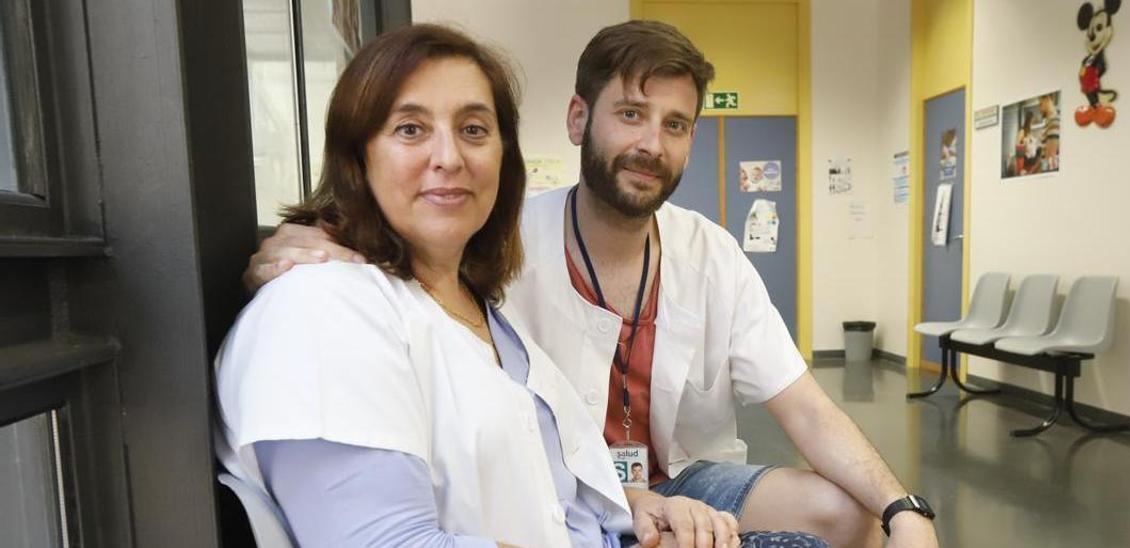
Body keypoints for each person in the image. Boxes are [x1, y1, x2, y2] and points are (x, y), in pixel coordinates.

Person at [246, 20, 939, 548]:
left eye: (676, 125)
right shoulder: (498, 238)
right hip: (572, 485)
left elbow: (808, 409)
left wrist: (902, 507)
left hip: (674, 480)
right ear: (580, 118)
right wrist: (310, 241)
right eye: (631, 115)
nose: (652, 145)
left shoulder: (711, 254)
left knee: (848, 512)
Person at [217, 24, 639, 547]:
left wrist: (645, 512)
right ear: (357, 156)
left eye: (474, 130)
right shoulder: (319, 308)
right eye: (411, 129)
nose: (449, 157)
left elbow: (544, 486)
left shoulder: (476, 307)